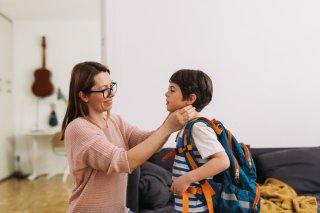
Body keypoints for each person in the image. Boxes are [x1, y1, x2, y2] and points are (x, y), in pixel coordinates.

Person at [60, 61, 196, 213]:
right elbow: (124, 162)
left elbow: (147, 141)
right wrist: (168, 127)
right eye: (104, 90)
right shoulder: (78, 129)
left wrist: (172, 118)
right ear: (84, 95)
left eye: (111, 87)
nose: (112, 93)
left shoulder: (114, 120)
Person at [165, 69, 230, 212]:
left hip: (196, 207)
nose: (166, 93)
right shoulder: (189, 126)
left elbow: (222, 161)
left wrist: (186, 179)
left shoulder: (197, 127)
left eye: (172, 90)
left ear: (191, 99)